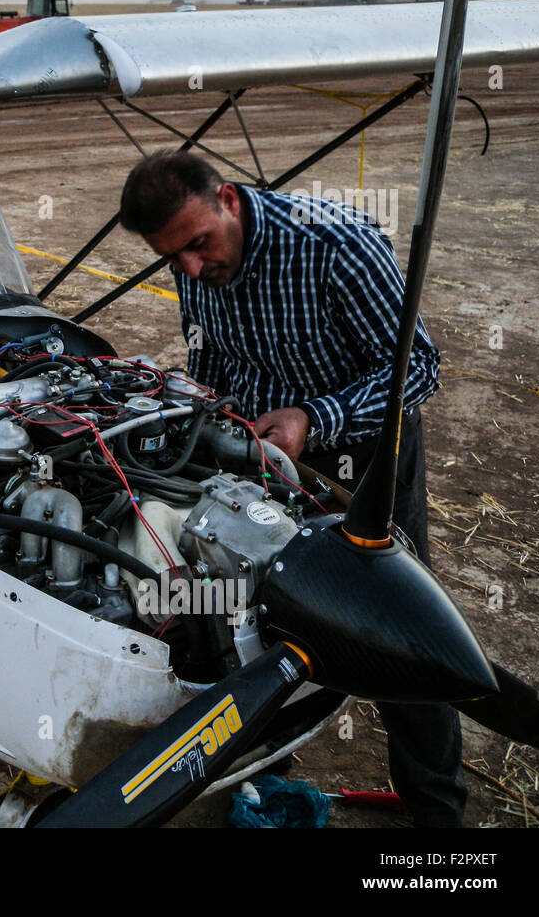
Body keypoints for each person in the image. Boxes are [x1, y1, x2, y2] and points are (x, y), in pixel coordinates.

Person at [118, 148, 464, 828]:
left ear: (230, 200)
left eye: (198, 245)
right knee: (254, 620)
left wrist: (317, 418)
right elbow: (211, 355)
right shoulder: (194, 263)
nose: (191, 268)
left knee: (393, 632)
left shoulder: (335, 245)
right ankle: (266, 785)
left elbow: (418, 369)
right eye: (172, 259)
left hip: (361, 456)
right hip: (261, 454)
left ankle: (438, 824)